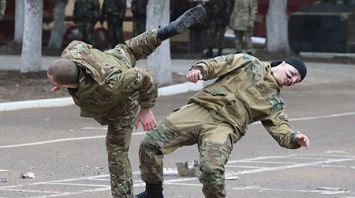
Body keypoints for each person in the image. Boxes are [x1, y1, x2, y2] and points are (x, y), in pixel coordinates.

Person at [47, 5, 206, 198]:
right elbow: (70, 64)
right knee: (130, 48)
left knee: (117, 152)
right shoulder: (72, 52)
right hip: (113, 59)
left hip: (123, 102)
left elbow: (144, 77)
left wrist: (146, 108)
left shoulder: (110, 86)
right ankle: (168, 30)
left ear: (64, 85)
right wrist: (65, 82)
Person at [136, 53, 310, 198]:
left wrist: (294, 138)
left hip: (224, 127)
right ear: (284, 63)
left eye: (297, 80)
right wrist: (199, 70)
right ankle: (153, 193)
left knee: (212, 170)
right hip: (200, 109)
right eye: (293, 73)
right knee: (150, 144)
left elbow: (281, 129)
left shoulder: (275, 103)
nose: (293, 79)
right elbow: (217, 64)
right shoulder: (248, 63)